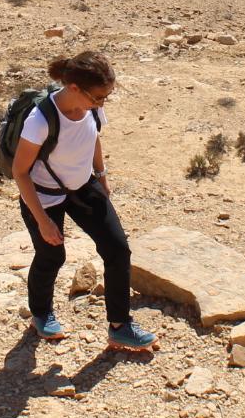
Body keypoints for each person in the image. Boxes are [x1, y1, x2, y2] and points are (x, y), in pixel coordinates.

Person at [12, 51, 156, 352]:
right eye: (99, 97)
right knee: (52, 256)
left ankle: (120, 326)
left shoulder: (90, 107)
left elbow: (94, 137)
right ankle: (40, 313)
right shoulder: (40, 120)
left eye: (106, 96)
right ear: (75, 88)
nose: (102, 103)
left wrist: (101, 174)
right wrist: (43, 220)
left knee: (117, 250)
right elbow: (20, 171)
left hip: (82, 186)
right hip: (43, 194)